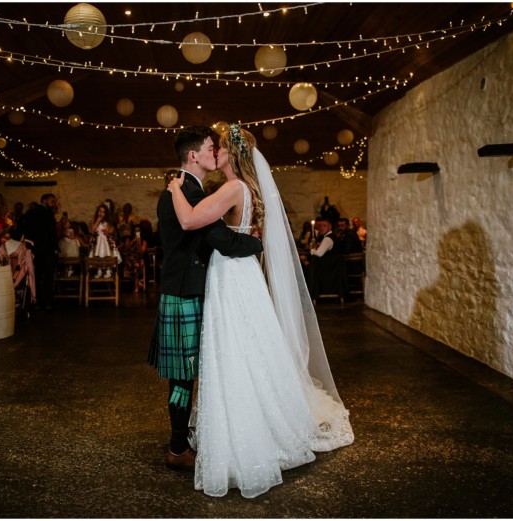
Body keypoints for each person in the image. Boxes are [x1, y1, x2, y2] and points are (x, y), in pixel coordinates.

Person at [167, 124, 354, 498]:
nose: (215, 153)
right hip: (245, 275)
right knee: (253, 345)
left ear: (231, 156)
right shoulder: (251, 190)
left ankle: (243, 432)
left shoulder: (232, 188)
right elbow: (247, 238)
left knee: (234, 349)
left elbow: (189, 220)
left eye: (219, 149)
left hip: (229, 277)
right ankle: (265, 417)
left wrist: (174, 188)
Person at [147, 125, 264, 474]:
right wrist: (258, 242)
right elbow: (222, 241)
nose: (215, 152)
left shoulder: (185, 189)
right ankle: (178, 447)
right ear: (194, 155)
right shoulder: (186, 192)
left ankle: (183, 439)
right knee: (183, 376)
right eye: (211, 148)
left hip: (183, 289)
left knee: (188, 373)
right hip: (185, 292)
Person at [24, 193, 59, 310]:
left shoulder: (31, 212)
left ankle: (37, 301)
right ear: (44, 200)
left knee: (38, 276)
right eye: (52, 201)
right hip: (47, 250)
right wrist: (55, 248)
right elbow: (52, 232)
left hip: (37, 249)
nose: (53, 203)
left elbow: (28, 231)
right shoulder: (47, 213)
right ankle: (48, 301)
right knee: (48, 276)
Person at [88, 204, 121, 278]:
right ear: (97, 212)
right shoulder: (94, 220)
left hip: (105, 242)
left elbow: (112, 229)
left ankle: (108, 270)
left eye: (103, 212)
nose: (101, 213)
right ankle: (99, 270)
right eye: (100, 211)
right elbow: (93, 229)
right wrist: (98, 220)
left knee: (107, 255)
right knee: (98, 255)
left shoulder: (107, 221)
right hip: (98, 242)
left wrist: (108, 231)